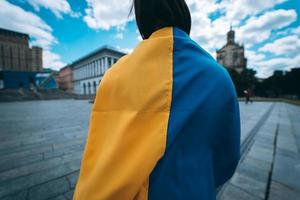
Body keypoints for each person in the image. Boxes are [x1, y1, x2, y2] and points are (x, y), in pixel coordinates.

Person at [73, 0, 241, 199]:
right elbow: (226, 160)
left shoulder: (112, 76)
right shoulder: (219, 76)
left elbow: (99, 153)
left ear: (141, 19)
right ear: (184, 14)